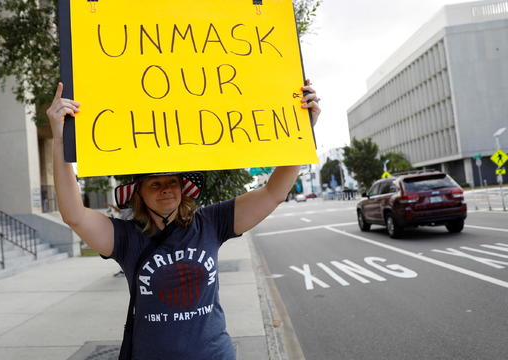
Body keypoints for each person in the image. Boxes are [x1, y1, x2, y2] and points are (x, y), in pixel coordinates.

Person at [47, 81, 320, 360]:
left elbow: (273, 193)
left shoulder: (212, 222)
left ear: (183, 188)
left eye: (173, 182)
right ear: (138, 193)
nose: (166, 189)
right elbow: (74, 216)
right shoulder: (127, 237)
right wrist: (59, 138)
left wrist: (303, 130)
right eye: (154, 184)